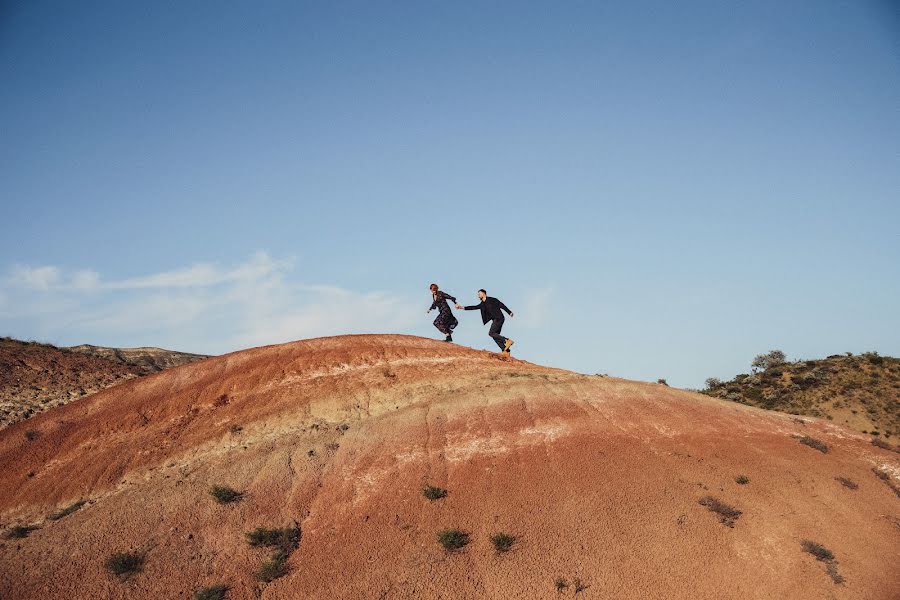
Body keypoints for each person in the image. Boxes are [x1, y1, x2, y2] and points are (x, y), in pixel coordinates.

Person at [456, 289, 515, 354]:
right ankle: (505, 351)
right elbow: (474, 307)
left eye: (479, 294)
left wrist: (509, 312)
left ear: (484, 293)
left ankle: (506, 340)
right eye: (478, 294)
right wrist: (461, 307)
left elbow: (501, 305)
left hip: (499, 318)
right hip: (496, 319)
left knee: (491, 333)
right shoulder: (482, 304)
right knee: (495, 335)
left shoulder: (492, 299)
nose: (478, 295)